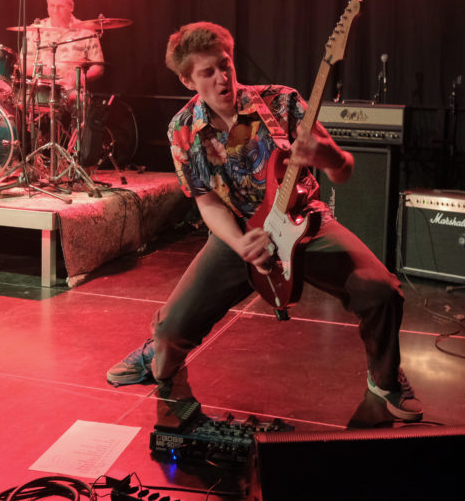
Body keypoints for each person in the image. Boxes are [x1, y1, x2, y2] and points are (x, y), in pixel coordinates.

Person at [105, 22, 422, 421]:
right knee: (170, 333)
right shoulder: (182, 130)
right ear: (188, 80)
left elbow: (343, 169)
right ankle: (157, 352)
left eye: (225, 65)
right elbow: (207, 201)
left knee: (382, 292)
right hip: (241, 232)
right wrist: (239, 244)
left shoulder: (283, 103)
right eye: (208, 72)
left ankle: (386, 378)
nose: (223, 78)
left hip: (304, 221)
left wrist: (327, 155)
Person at [21, 0, 104, 98]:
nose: (55, 11)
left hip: (72, 92)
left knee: (79, 98)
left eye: (60, 6)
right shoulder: (35, 30)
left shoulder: (86, 32)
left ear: (71, 7)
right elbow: (23, 64)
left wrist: (79, 78)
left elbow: (98, 67)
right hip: (41, 92)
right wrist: (43, 70)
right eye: (52, 6)